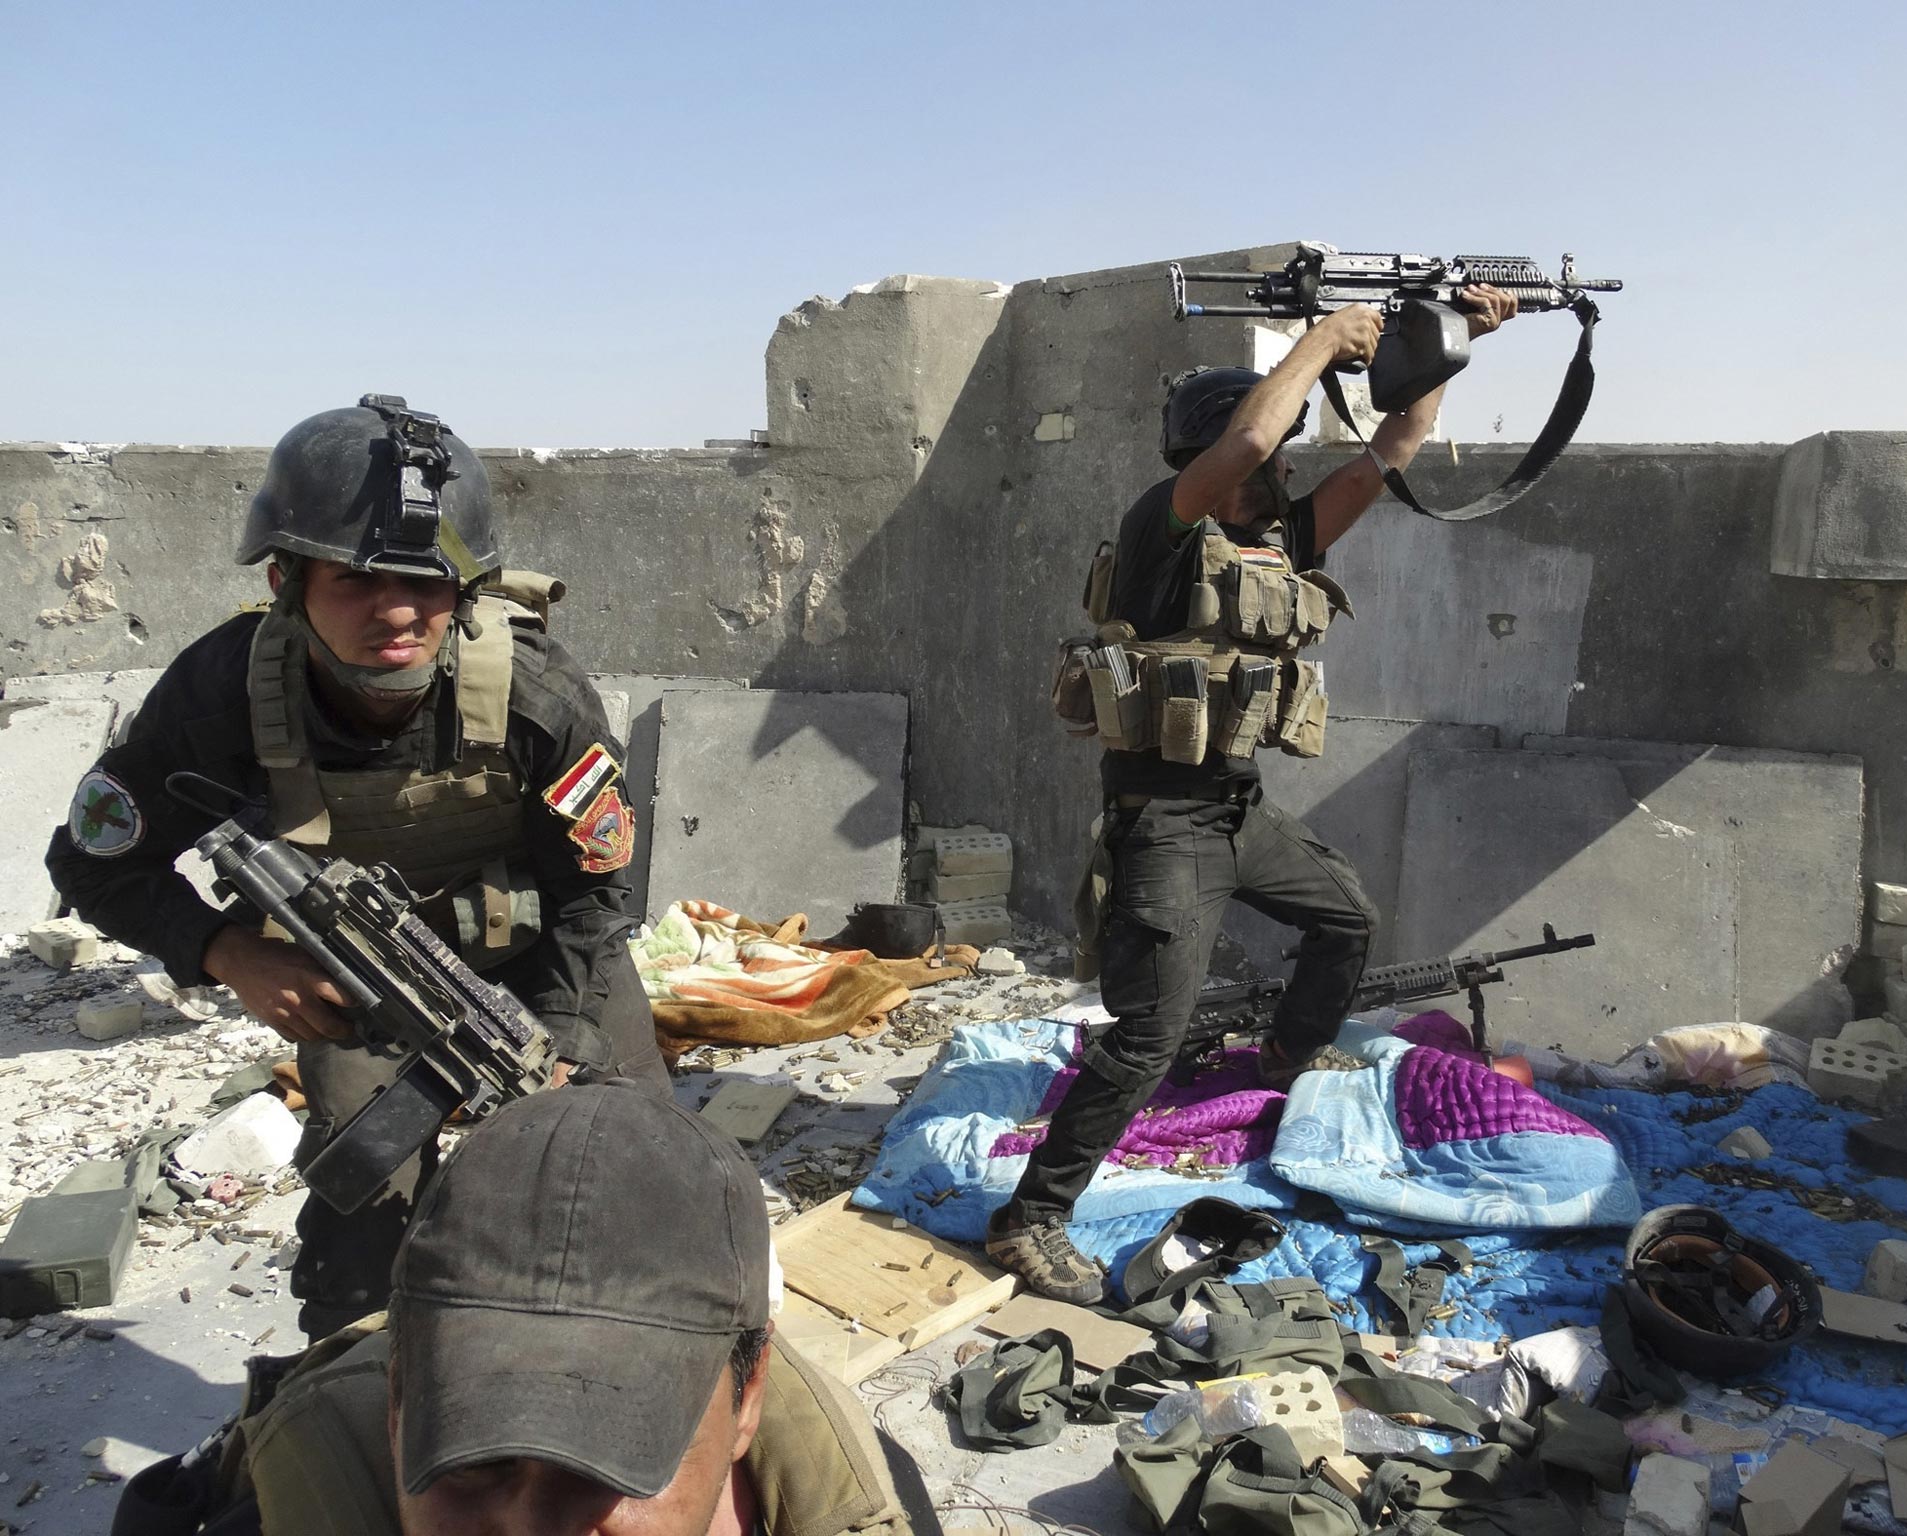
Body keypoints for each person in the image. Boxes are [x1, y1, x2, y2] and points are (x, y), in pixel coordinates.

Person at [45, 395, 668, 1340]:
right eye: (354, 580)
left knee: (639, 1181)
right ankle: (353, 1415)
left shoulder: (538, 692)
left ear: (468, 586)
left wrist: (556, 1042)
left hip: (544, 964)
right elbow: (94, 863)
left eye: (430, 582)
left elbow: (594, 892)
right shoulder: (222, 694)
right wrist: (228, 953)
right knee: (358, 1239)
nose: (397, 612)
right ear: (289, 578)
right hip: (359, 990)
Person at [989, 290, 1520, 1304]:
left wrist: (1446, 343)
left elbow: (1393, 449)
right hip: (1164, 830)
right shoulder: (1163, 534)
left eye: (1283, 466)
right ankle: (1031, 1216)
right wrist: (1319, 342)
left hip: (1237, 812)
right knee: (1144, 1036)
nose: (1280, 473)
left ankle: (1278, 1061)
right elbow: (1238, 444)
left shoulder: (1276, 546)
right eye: (1270, 461)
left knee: (1345, 921)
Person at [112, 1083, 936, 1536]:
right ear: (399, 1410)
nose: (529, 1529)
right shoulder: (286, 1514)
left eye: (609, 1467)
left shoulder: (861, 1495)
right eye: (476, 1460)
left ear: (747, 1400)